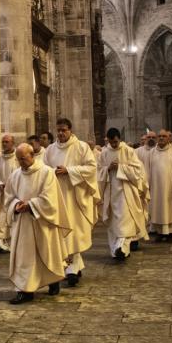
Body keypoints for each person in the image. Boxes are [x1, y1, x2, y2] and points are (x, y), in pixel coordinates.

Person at [4, 143, 71, 304]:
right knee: (24, 258)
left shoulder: (47, 173)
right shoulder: (15, 175)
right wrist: (16, 206)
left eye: (24, 159)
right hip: (24, 223)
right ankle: (25, 290)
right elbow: (9, 197)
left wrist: (31, 205)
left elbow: (50, 198)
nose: (21, 163)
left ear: (32, 156)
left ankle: (53, 281)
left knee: (47, 253)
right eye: (19, 160)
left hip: (43, 221)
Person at [43, 118, 99, 287]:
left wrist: (69, 170)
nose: (61, 133)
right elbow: (44, 170)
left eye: (64, 130)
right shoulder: (50, 150)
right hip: (57, 197)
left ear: (70, 130)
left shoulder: (81, 147)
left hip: (75, 197)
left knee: (73, 233)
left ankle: (72, 269)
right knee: (62, 233)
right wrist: (54, 171)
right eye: (58, 130)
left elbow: (91, 168)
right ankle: (74, 267)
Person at [97, 128, 148, 260]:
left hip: (126, 191)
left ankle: (121, 247)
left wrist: (120, 167)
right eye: (111, 142)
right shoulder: (104, 152)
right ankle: (117, 251)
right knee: (114, 223)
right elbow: (98, 170)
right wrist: (107, 168)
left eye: (115, 142)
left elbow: (138, 170)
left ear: (119, 139)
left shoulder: (128, 151)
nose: (114, 145)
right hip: (110, 191)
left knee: (125, 222)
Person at [0, 134, 18, 253]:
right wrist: (0, 184)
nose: (4, 144)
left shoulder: (18, 157)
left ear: (13, 143)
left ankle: (11, 243)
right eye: (3, 142)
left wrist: (11, 185)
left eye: (7, 142)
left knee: (11, 219)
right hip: (1, 193)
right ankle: (0, 242)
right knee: (0, 219)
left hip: (15, 194)